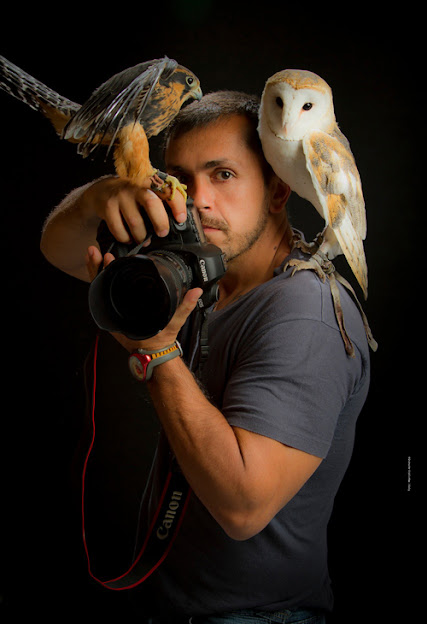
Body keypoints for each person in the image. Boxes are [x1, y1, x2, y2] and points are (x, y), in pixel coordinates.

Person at [40, 91, 371, 623]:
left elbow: (243, 508)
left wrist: (158, 353)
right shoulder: (196, 267)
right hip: (172, 602)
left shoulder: (303, 312)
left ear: (279, 189)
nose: (198, 199)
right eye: (181, 177)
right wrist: (102, 196)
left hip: (259, 618)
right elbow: (59, 249)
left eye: (222, 174)